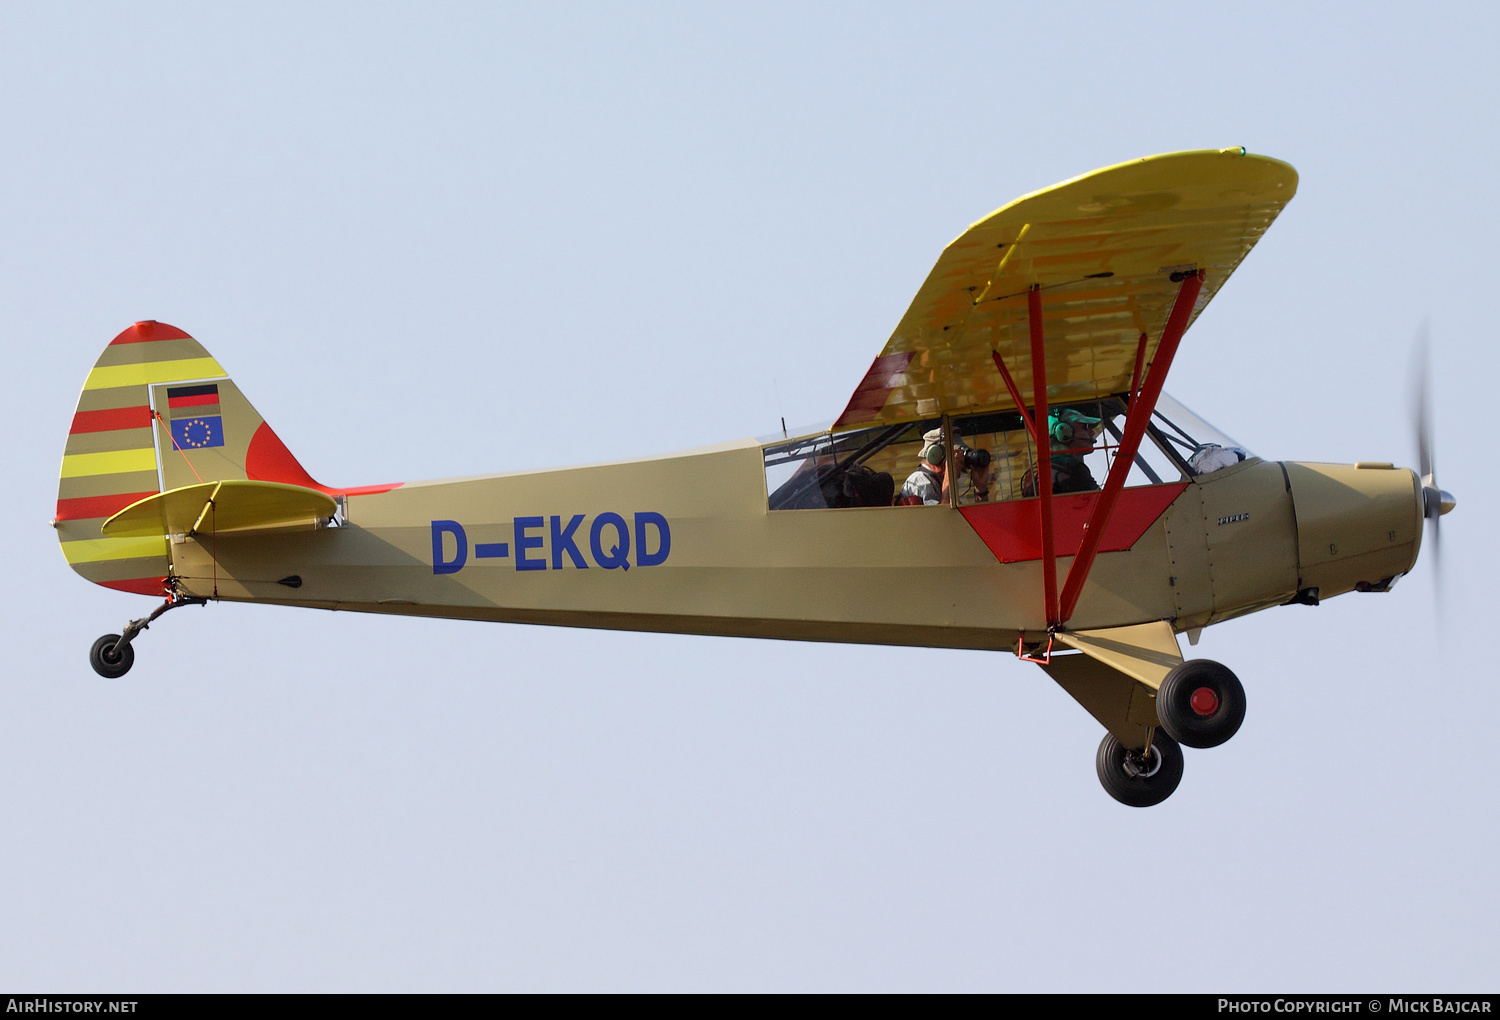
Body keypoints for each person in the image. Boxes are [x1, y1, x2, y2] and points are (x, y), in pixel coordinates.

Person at [899, 427, 990, 505]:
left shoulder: (941, 482)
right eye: (956, 456)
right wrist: (949, 477)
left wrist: (981, 490)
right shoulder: (919, 480)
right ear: (936, 455)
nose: (961, 465)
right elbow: (940, 520)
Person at [1022, 408, 1103, 496]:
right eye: (1085, 427)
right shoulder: (1073, 467)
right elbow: (1098, 499)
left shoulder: (1046, 468)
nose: (1092, 432)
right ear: (1063, 431)